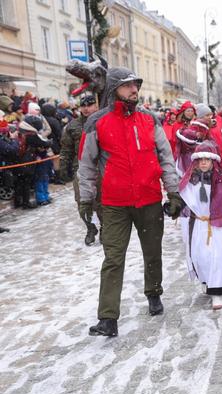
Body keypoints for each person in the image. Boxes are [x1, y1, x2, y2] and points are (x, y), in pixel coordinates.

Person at [78, 67, 183, 337]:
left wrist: (173, 192)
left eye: (136, 85)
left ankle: (153, 293)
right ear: (114, 90)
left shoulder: (150, 119)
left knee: (152, 252)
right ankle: (108, 317)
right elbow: (87, 165)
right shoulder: (97, 122)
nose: (134, 90)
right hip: (114, 203)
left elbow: (166, 158)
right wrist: (86, 200)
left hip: (148, 198)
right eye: (128, 86)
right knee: (113, 258)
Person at [179, 142, 222, 310]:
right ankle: (208, 283)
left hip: (216, 225)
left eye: (207, 160)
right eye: (200, 160)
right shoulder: (191, 180)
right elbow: (183, 199)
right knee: (201, 256)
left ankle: (217, 290)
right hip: (199, 224)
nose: (203, 163)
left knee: (217, 257)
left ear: (213, 162)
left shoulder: (221, 180)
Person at [60, 95, 103, 245]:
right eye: (83, 105)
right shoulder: (73, 126)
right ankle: (90, 228)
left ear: (96, 106)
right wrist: (63, 168)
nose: (86, 108)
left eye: (90, 105)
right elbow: (66, 149)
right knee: (82, 202)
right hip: (80, 169)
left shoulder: (103, 121)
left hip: (102, 169)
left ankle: (104, 228)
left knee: (102, 202)